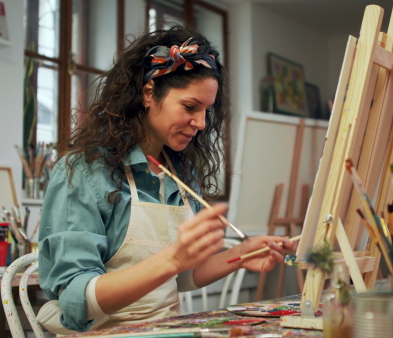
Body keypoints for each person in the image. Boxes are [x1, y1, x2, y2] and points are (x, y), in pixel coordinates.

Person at [37, 25, 294, 334]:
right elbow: (75, 301)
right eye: (190, 107)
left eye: (207, 111)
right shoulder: (84, 171)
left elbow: (181, 276)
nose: (200, 123)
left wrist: (239, 255)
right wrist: (172, 259)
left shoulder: (180, 174)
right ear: (148, 93)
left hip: (168, 329)